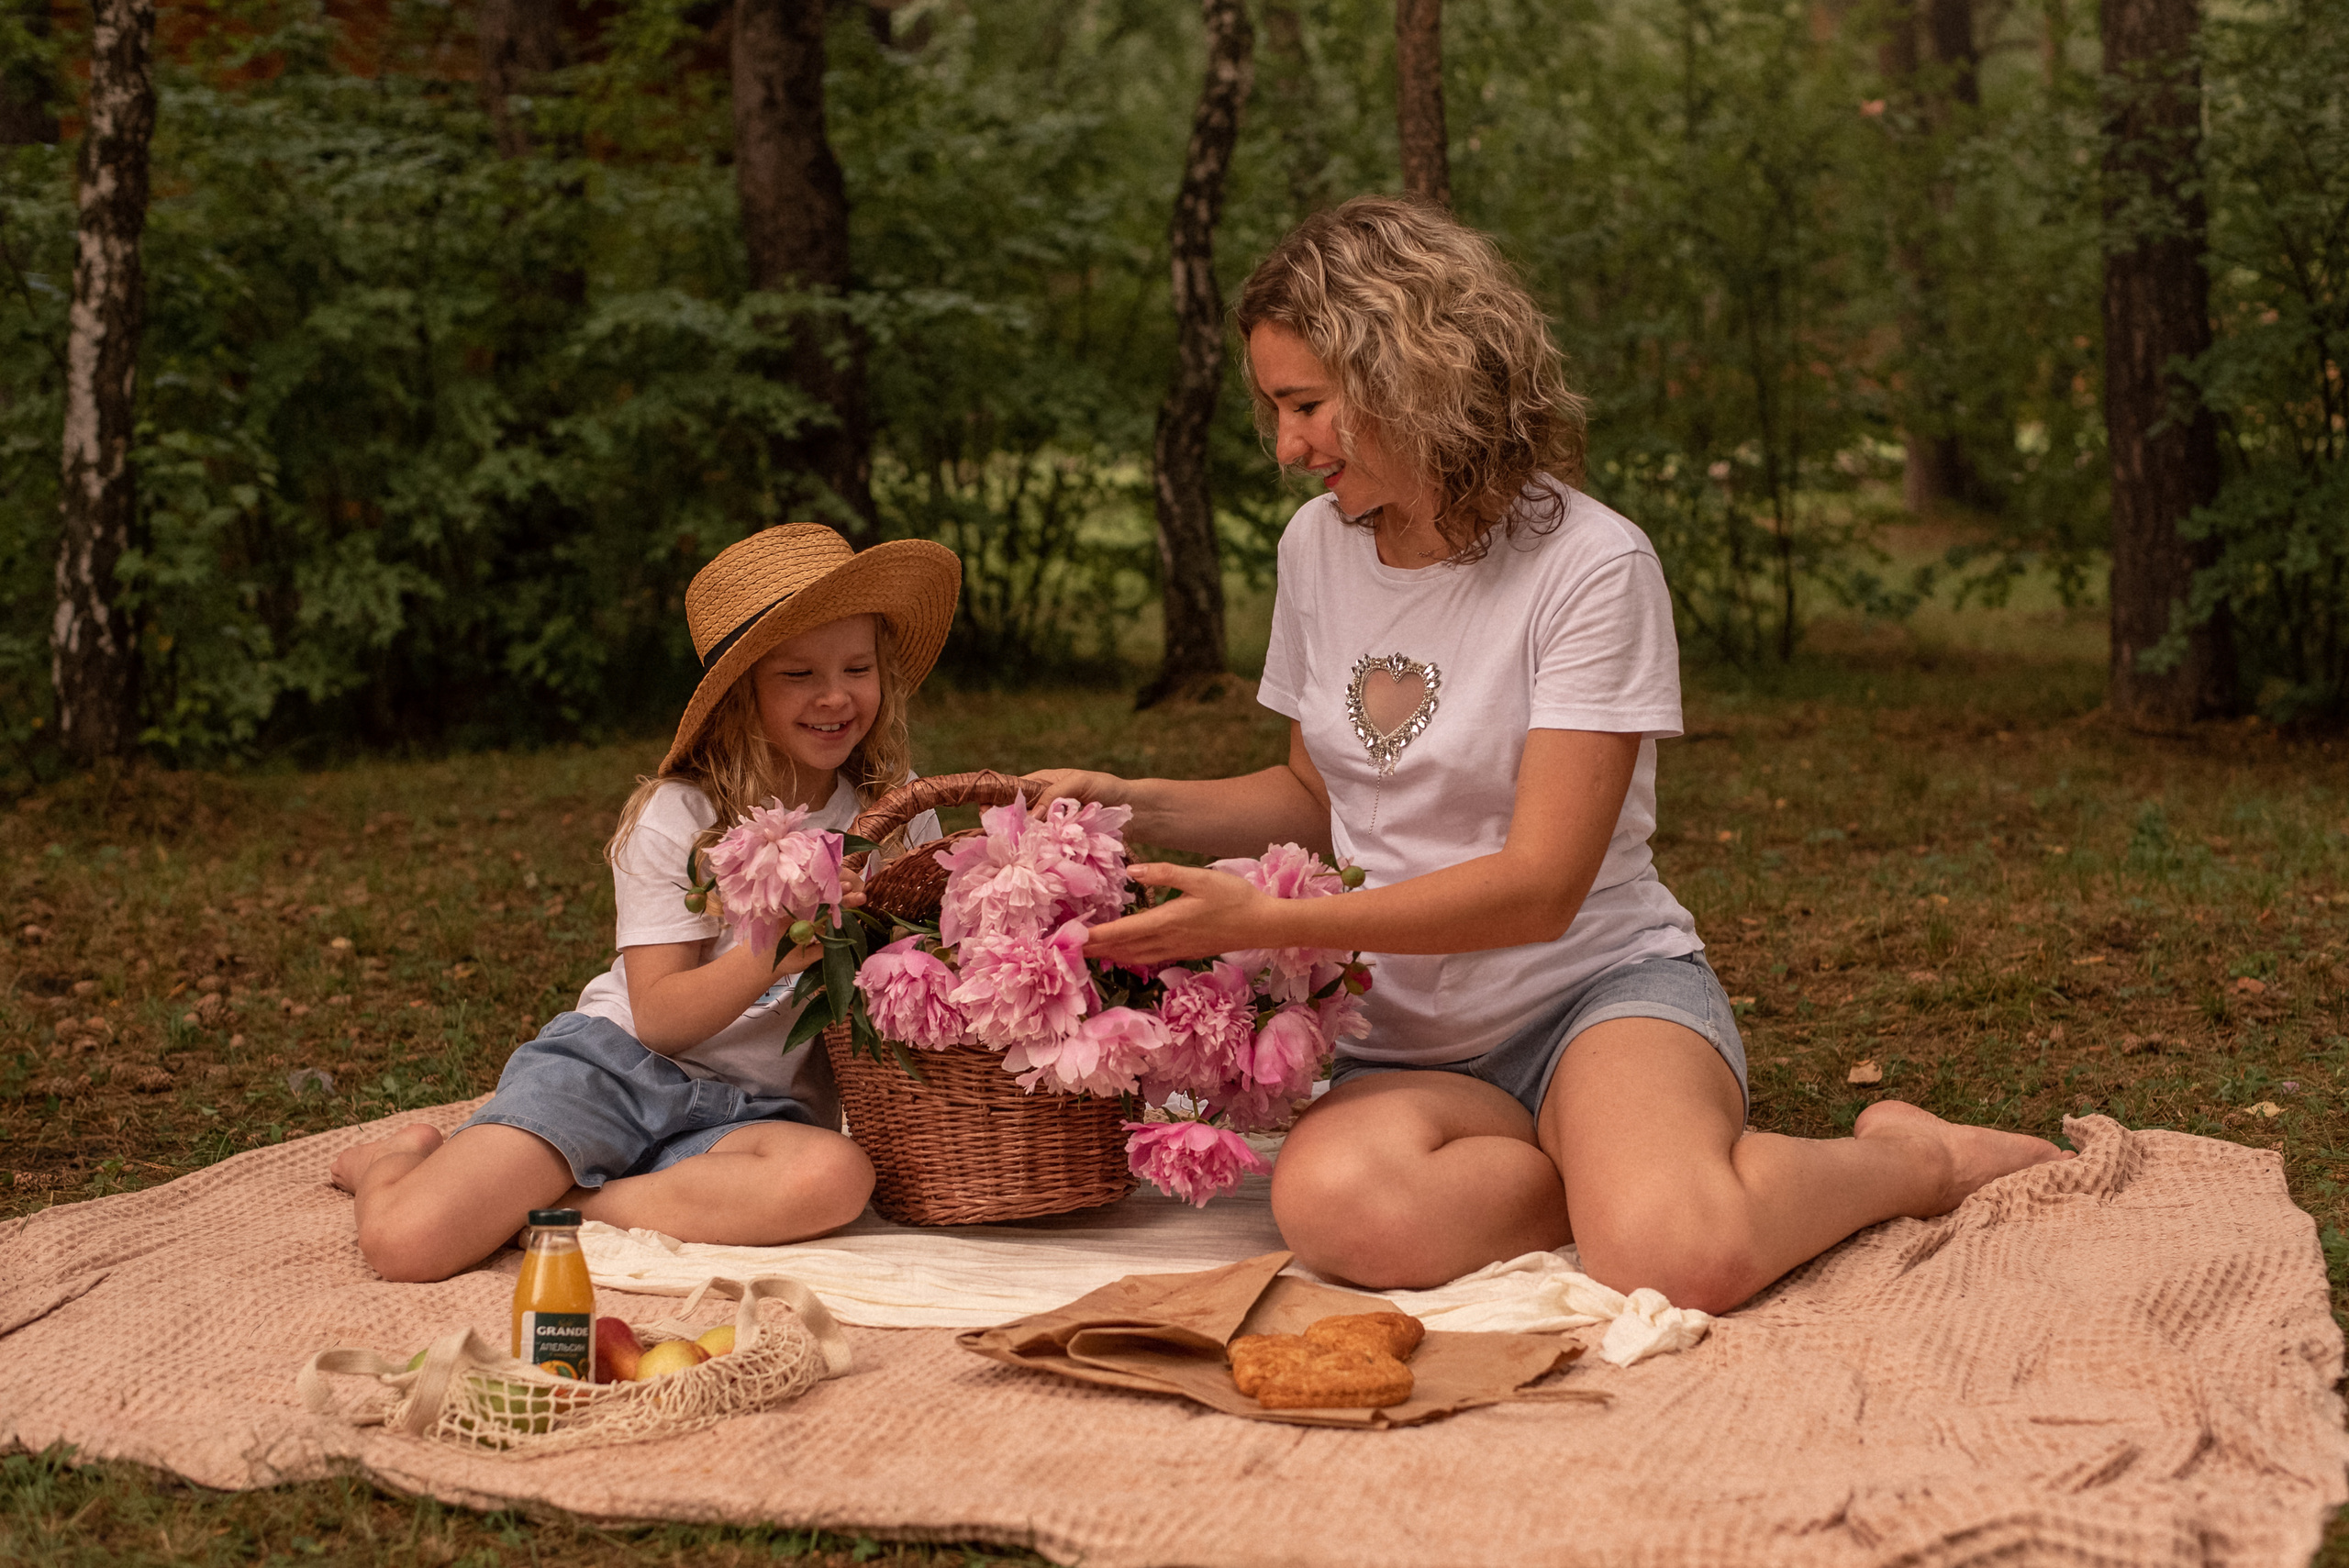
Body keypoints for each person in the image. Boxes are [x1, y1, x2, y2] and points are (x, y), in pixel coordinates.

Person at [1030, 195, 2065, 1314]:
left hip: (1593, 996)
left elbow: (1539, 886)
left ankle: (1912, 1158)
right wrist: (1125, 800)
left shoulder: (1591, 565)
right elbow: (1315, 796)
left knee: (1680, 1258)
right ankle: (1608, 1170)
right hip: (1407, 1042)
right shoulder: (1314, 549)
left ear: (1406, 372)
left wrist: (1273, 923)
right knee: (1333, 1211)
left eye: (1306, 405)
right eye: (1274, 409)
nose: (1285, 448)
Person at [331, 524, 961, 1284]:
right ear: (740, 692)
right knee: (408, 1244)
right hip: (618, 1071)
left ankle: (567, 1203)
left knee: (835, 1180)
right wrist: (774, 945)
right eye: (798, 673)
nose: (835, 696)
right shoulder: (682, 815)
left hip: (758, 1111)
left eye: (858, 667)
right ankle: (392, 1167)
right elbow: (659, 1017)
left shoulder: (894, 817)